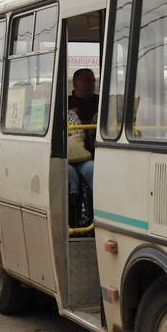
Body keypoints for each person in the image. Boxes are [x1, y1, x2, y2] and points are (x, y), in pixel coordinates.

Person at [67, 69, 98, 220]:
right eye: (87, 81)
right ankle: (74, 222)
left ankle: (94, 219)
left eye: (93, 80)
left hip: (89, 155)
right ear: (75, 83)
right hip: (67, 156)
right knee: (70, 176)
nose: (91, 84)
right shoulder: (65, 104)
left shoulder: (101, 102)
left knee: (95, 171)